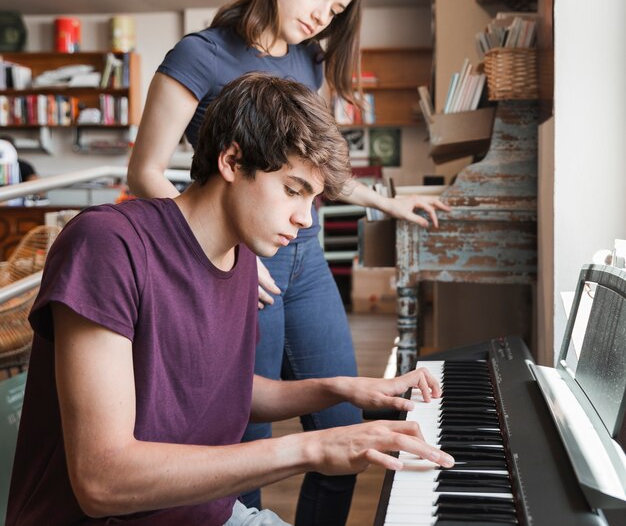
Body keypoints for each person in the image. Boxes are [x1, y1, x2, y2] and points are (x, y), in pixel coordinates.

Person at [6, 73, 453, 526]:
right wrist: (311, 448)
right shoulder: (108, 244)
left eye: (313, 199)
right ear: (232, 161)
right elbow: (102, 481)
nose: (304, 218)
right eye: (293, 190)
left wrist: (339, 388)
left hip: (207, 513)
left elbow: (218, 387)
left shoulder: (241, 259)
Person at [127, 0, 450, 524]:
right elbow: (144, 173)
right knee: (246, 439)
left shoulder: (309, 59)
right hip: (245, 260)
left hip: (306, 259)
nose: (324, 13)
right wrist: (219, 260)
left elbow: (313, 167)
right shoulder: (200, 54)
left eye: (338, 5)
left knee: (344, 429)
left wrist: (389, 201)